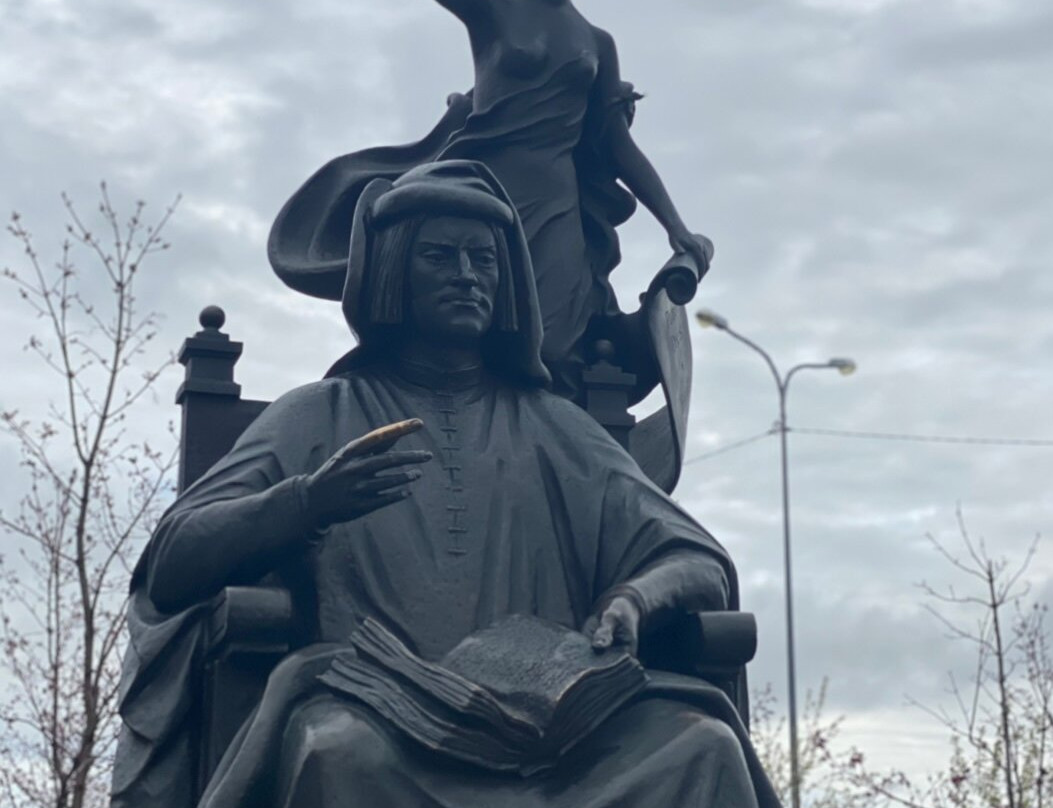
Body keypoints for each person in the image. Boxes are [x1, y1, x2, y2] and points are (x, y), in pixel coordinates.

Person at [113, 161, 778, 808]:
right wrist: (304, 503)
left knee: (703, 746)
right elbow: (172, 564)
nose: (467, 275)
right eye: (439, 256)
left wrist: (634, 598)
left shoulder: (558, 428)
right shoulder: (318, 415)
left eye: (483, 259)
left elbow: (698, 561)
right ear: (393, 272)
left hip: (557, 732)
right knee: (336, 751)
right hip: (378, 708)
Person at [268, 0, 714, 396]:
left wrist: (674, 226)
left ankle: (547, 442)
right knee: (461, 324)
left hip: (555, 199)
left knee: (552, 346)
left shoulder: (598, 41)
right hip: (481, 192)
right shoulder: (495, 6)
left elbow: (618, 146)